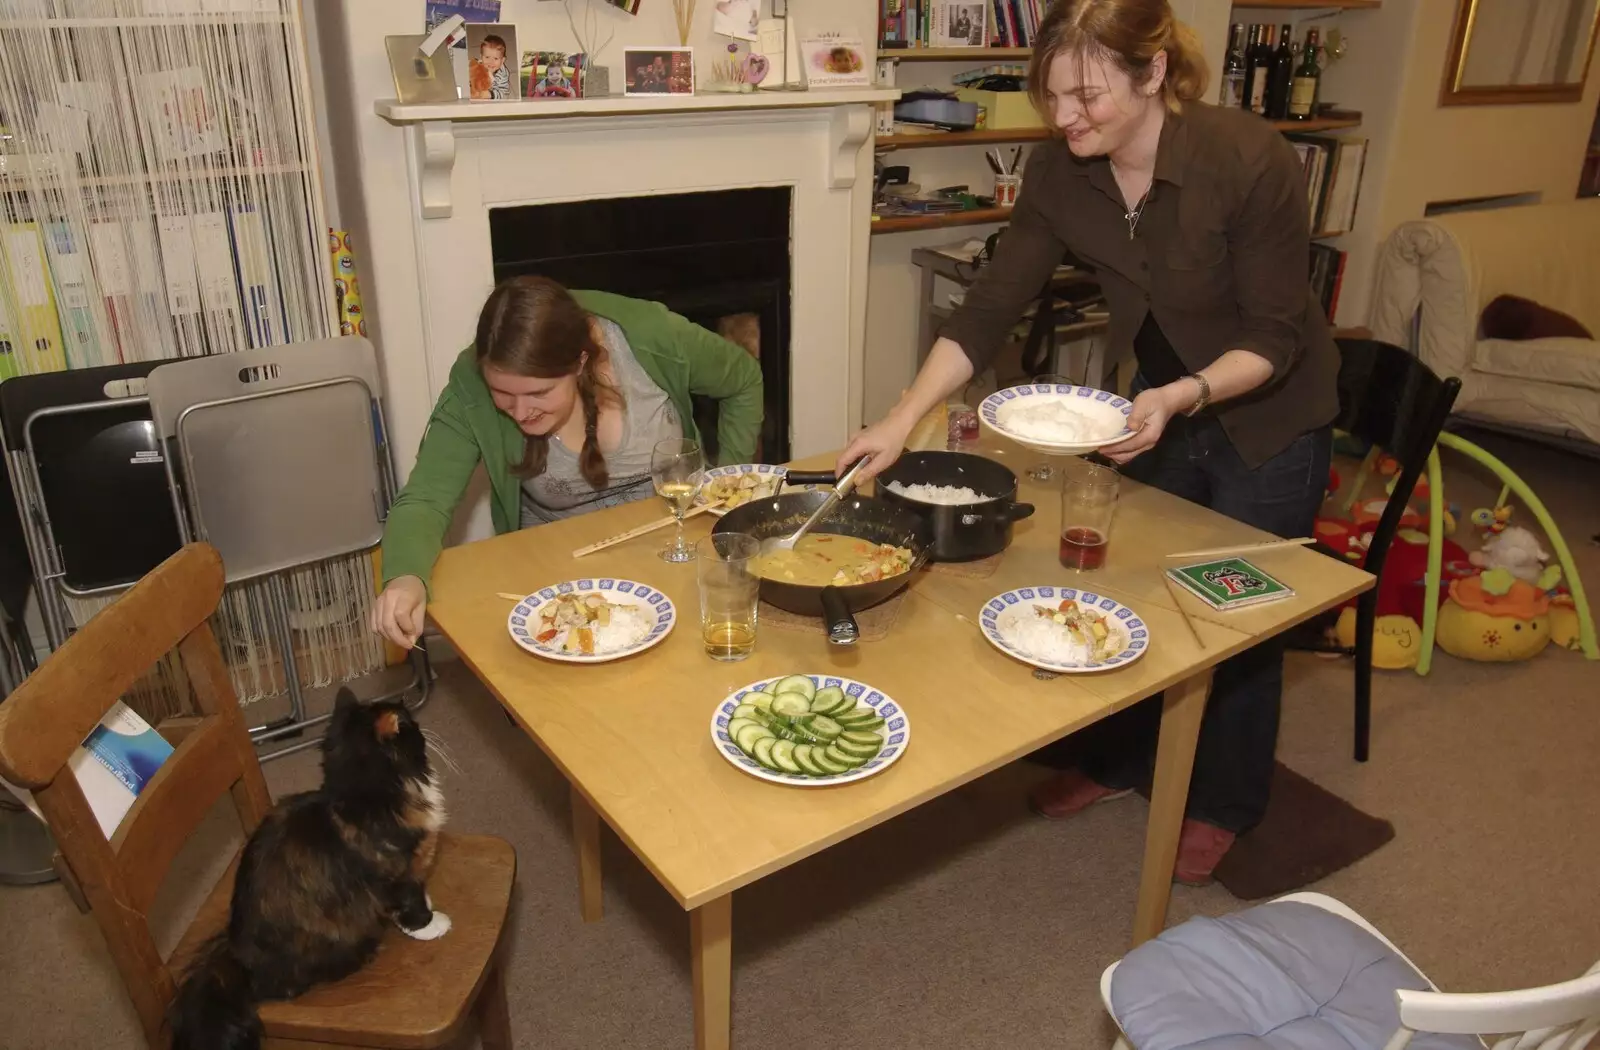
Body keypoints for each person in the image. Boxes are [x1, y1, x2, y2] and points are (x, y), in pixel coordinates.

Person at [836, 0, 1338, 884]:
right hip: (1158, 400)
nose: (1065, 116)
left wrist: (1185, 393)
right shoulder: (1059, 172)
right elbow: (992, 306)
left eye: (1088, 95)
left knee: (1238, 615)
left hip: (1266, 407)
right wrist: (899, 417)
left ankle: (1224, 801)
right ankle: (1119, 763)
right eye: (1052, 95)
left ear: (1153, 75)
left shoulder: (1246, 159)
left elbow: (1277, 333)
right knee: (1139, 590)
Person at [371, 276, 763, 650]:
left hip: (675, 546)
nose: (521, 412)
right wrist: (405, 577)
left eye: (539, 392)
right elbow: (425, 497)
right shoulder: (470, 384)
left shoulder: (650, 335)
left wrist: (724, 484)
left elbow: (743, 379)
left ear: (579, 362)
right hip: (559, 572)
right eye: (503, 394)